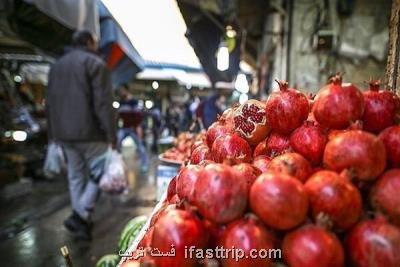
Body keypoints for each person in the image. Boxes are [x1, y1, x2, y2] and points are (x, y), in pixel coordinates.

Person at [47, 30, 116, 240]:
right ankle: (80, 215)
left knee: (75, 177)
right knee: (101, 171)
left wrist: (52, 135)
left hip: (63, 133)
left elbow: (50, 103)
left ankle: (82, 221)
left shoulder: (56, 66)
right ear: (88, 42)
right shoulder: (95, 64)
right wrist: (112, 136)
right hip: (90, 132)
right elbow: (103, 104)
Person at [117, 84, 149, 171]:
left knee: (140, 146)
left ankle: (144, 164)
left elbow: (138, 115)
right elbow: (119, 116)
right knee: (116, 143)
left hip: (133, 128)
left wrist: (138, 127)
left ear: (127, 90)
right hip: (124, 127)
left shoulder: (134, 102)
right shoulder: (121, 102)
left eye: (122, 90)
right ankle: (116, 164)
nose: (121, 92)